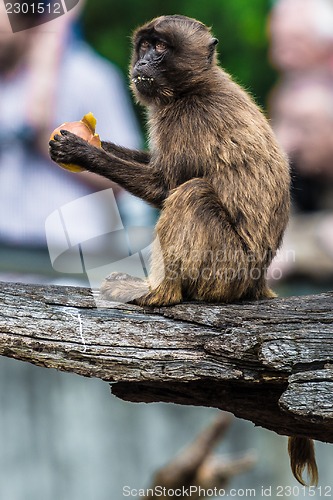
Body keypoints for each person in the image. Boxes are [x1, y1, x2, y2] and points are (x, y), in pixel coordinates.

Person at [0, 0, 154, 283]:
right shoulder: (6, 82)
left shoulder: (90, 78)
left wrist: (50, 142)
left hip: (70, 269)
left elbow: (133, 180)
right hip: (8, 261)